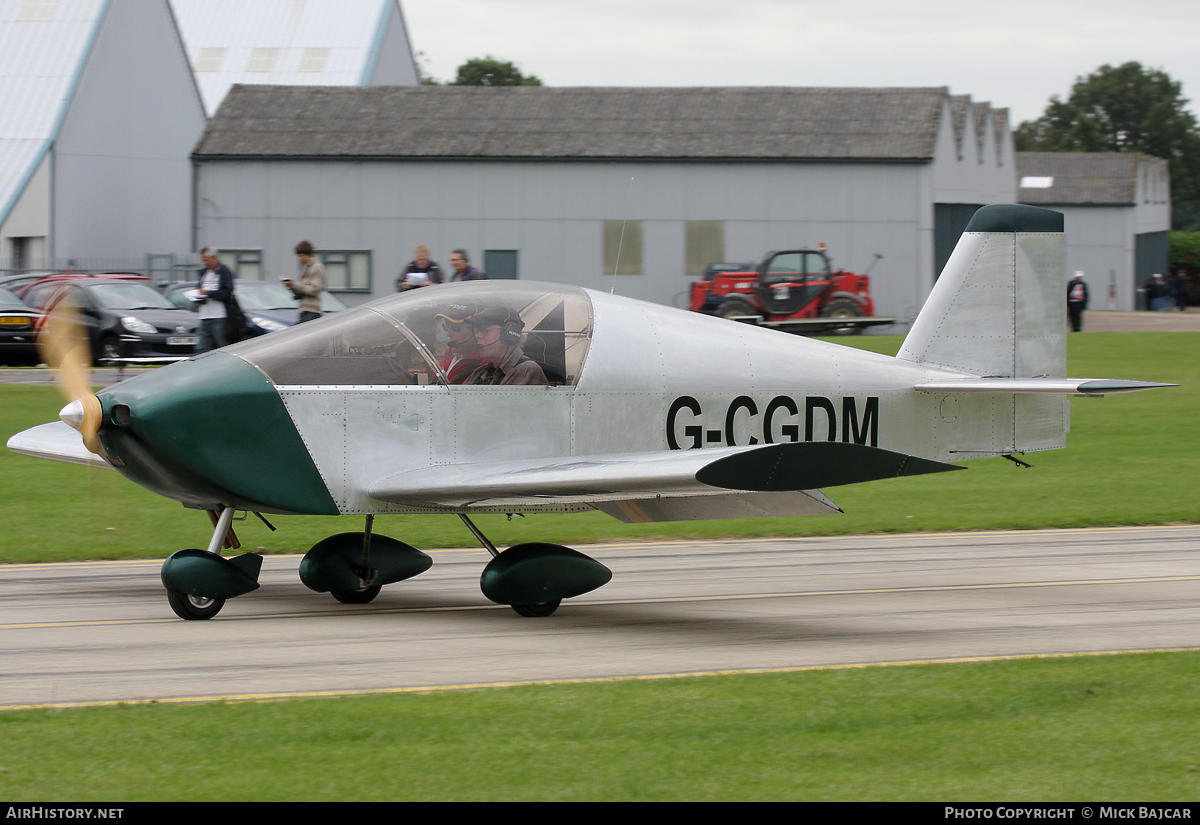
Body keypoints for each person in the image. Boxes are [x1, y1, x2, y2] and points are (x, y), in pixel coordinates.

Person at [466, 306, 548, 386]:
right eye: (477, 330)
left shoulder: (527, 370)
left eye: (485, 330)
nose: (478, 336)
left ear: (509, 334)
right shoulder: (480, 372)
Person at [434, 298, 487, 384]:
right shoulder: (451, 353)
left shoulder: (484, 364)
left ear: (476, 329)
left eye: (455, 327)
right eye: (447, 326)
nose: (448, 333)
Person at [194, 247, 236, 353]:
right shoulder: (204, 273)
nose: (205, 262)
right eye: (203, 260)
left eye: (206, 259)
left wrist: (208, 293)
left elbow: (227, 293)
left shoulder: (224, 271)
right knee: (202, 347)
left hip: (219, 316)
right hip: (204, 315)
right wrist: (197, 295)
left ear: (214, 258)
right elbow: (200, 289)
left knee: (222, 345)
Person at [284, 241, 325, 323]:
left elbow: (314, 289)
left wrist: (294, 284)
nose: (299, 258)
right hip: (303, 310)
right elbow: (302, 289)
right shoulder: (303, 268)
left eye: (301, 256)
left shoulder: (317, 267)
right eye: (298, 256)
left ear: (309, 255)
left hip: (313, 312)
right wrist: (291, 286)